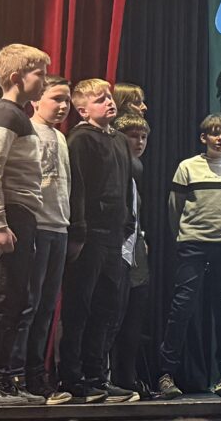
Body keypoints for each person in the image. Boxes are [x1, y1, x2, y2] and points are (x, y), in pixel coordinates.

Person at [156, 114, 221, 400]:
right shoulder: (187, 167)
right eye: (214, 134)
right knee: (182, 307)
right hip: (193, 244)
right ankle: (166, 374)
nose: (220, 139)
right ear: (203, 138)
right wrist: (183, 235)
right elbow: (175, 208)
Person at [0, 45, 49, 407]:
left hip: (20, 215)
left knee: (15, 300)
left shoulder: (17, 116)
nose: (45, 80)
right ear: (15, 78)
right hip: (6, 214)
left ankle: (2, 380)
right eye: (39, 74)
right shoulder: (4, 115)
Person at [59, 79, 136, 403]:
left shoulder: (118, 139)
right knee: (79, 308)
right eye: (100, 98)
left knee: (106, 308)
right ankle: (72, 377)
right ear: (82, 110)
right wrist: (78, 230)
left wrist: (128, 221)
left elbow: (125, 183)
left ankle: (97, 376)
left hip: (114, 236)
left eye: (109, 96)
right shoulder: (80, 139)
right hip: (90, 235)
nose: (109, 102)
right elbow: (76, 186)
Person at [7, 75, 73, 405]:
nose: (63, 106)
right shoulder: (27, 131)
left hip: (59, 227)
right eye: (56, 98)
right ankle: (13, 375)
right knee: (28, 304)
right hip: (36, 226)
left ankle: (36, 375)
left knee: (47, 306)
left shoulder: (61, 137)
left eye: (67, 100)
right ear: (36, 100)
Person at [108, 113, 151, 395]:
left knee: (133, 317)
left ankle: (127, 377)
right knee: (112, 315)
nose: (139, 142)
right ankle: (105, 376)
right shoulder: (114, 166)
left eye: (143, 137)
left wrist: (141, 236)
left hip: (135, 250)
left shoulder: (137, 169)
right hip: (114, 250)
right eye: (133, 136)